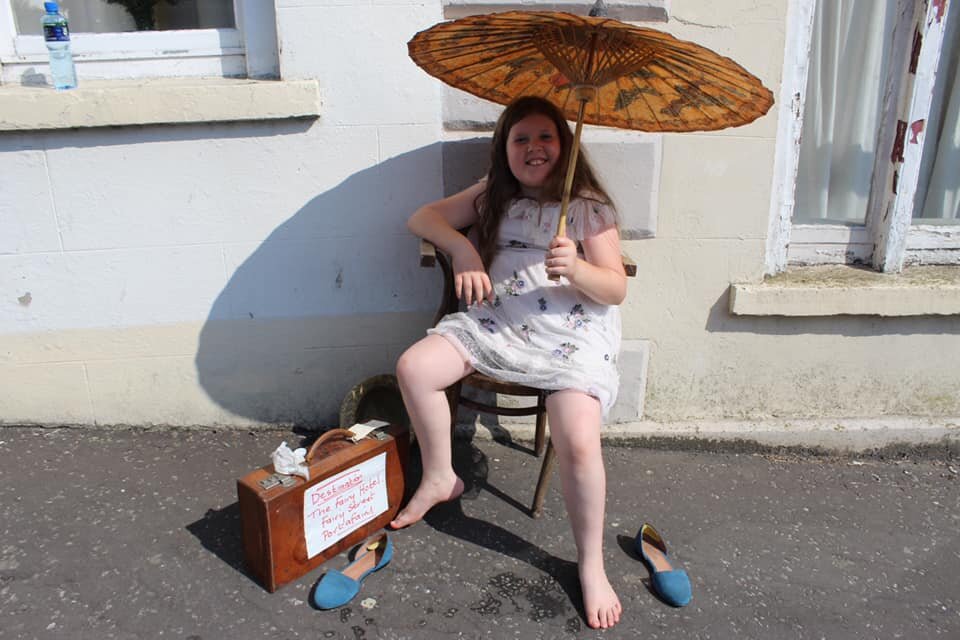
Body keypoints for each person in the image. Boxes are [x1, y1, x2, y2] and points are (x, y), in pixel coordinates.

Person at [390, 96, 627, 630]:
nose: (533, 148)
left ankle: (590, 563)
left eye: (545, 137)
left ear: (564, 146)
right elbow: (421, 218)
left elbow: (615, 288)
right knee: (415, 368)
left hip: (569, 335)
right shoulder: (493, 195)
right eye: (521, 139)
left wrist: (578, 268)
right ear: (505, 149)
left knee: (578, 438)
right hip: (499, 321)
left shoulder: (587, 208)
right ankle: (440, 476)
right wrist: (464, 250)